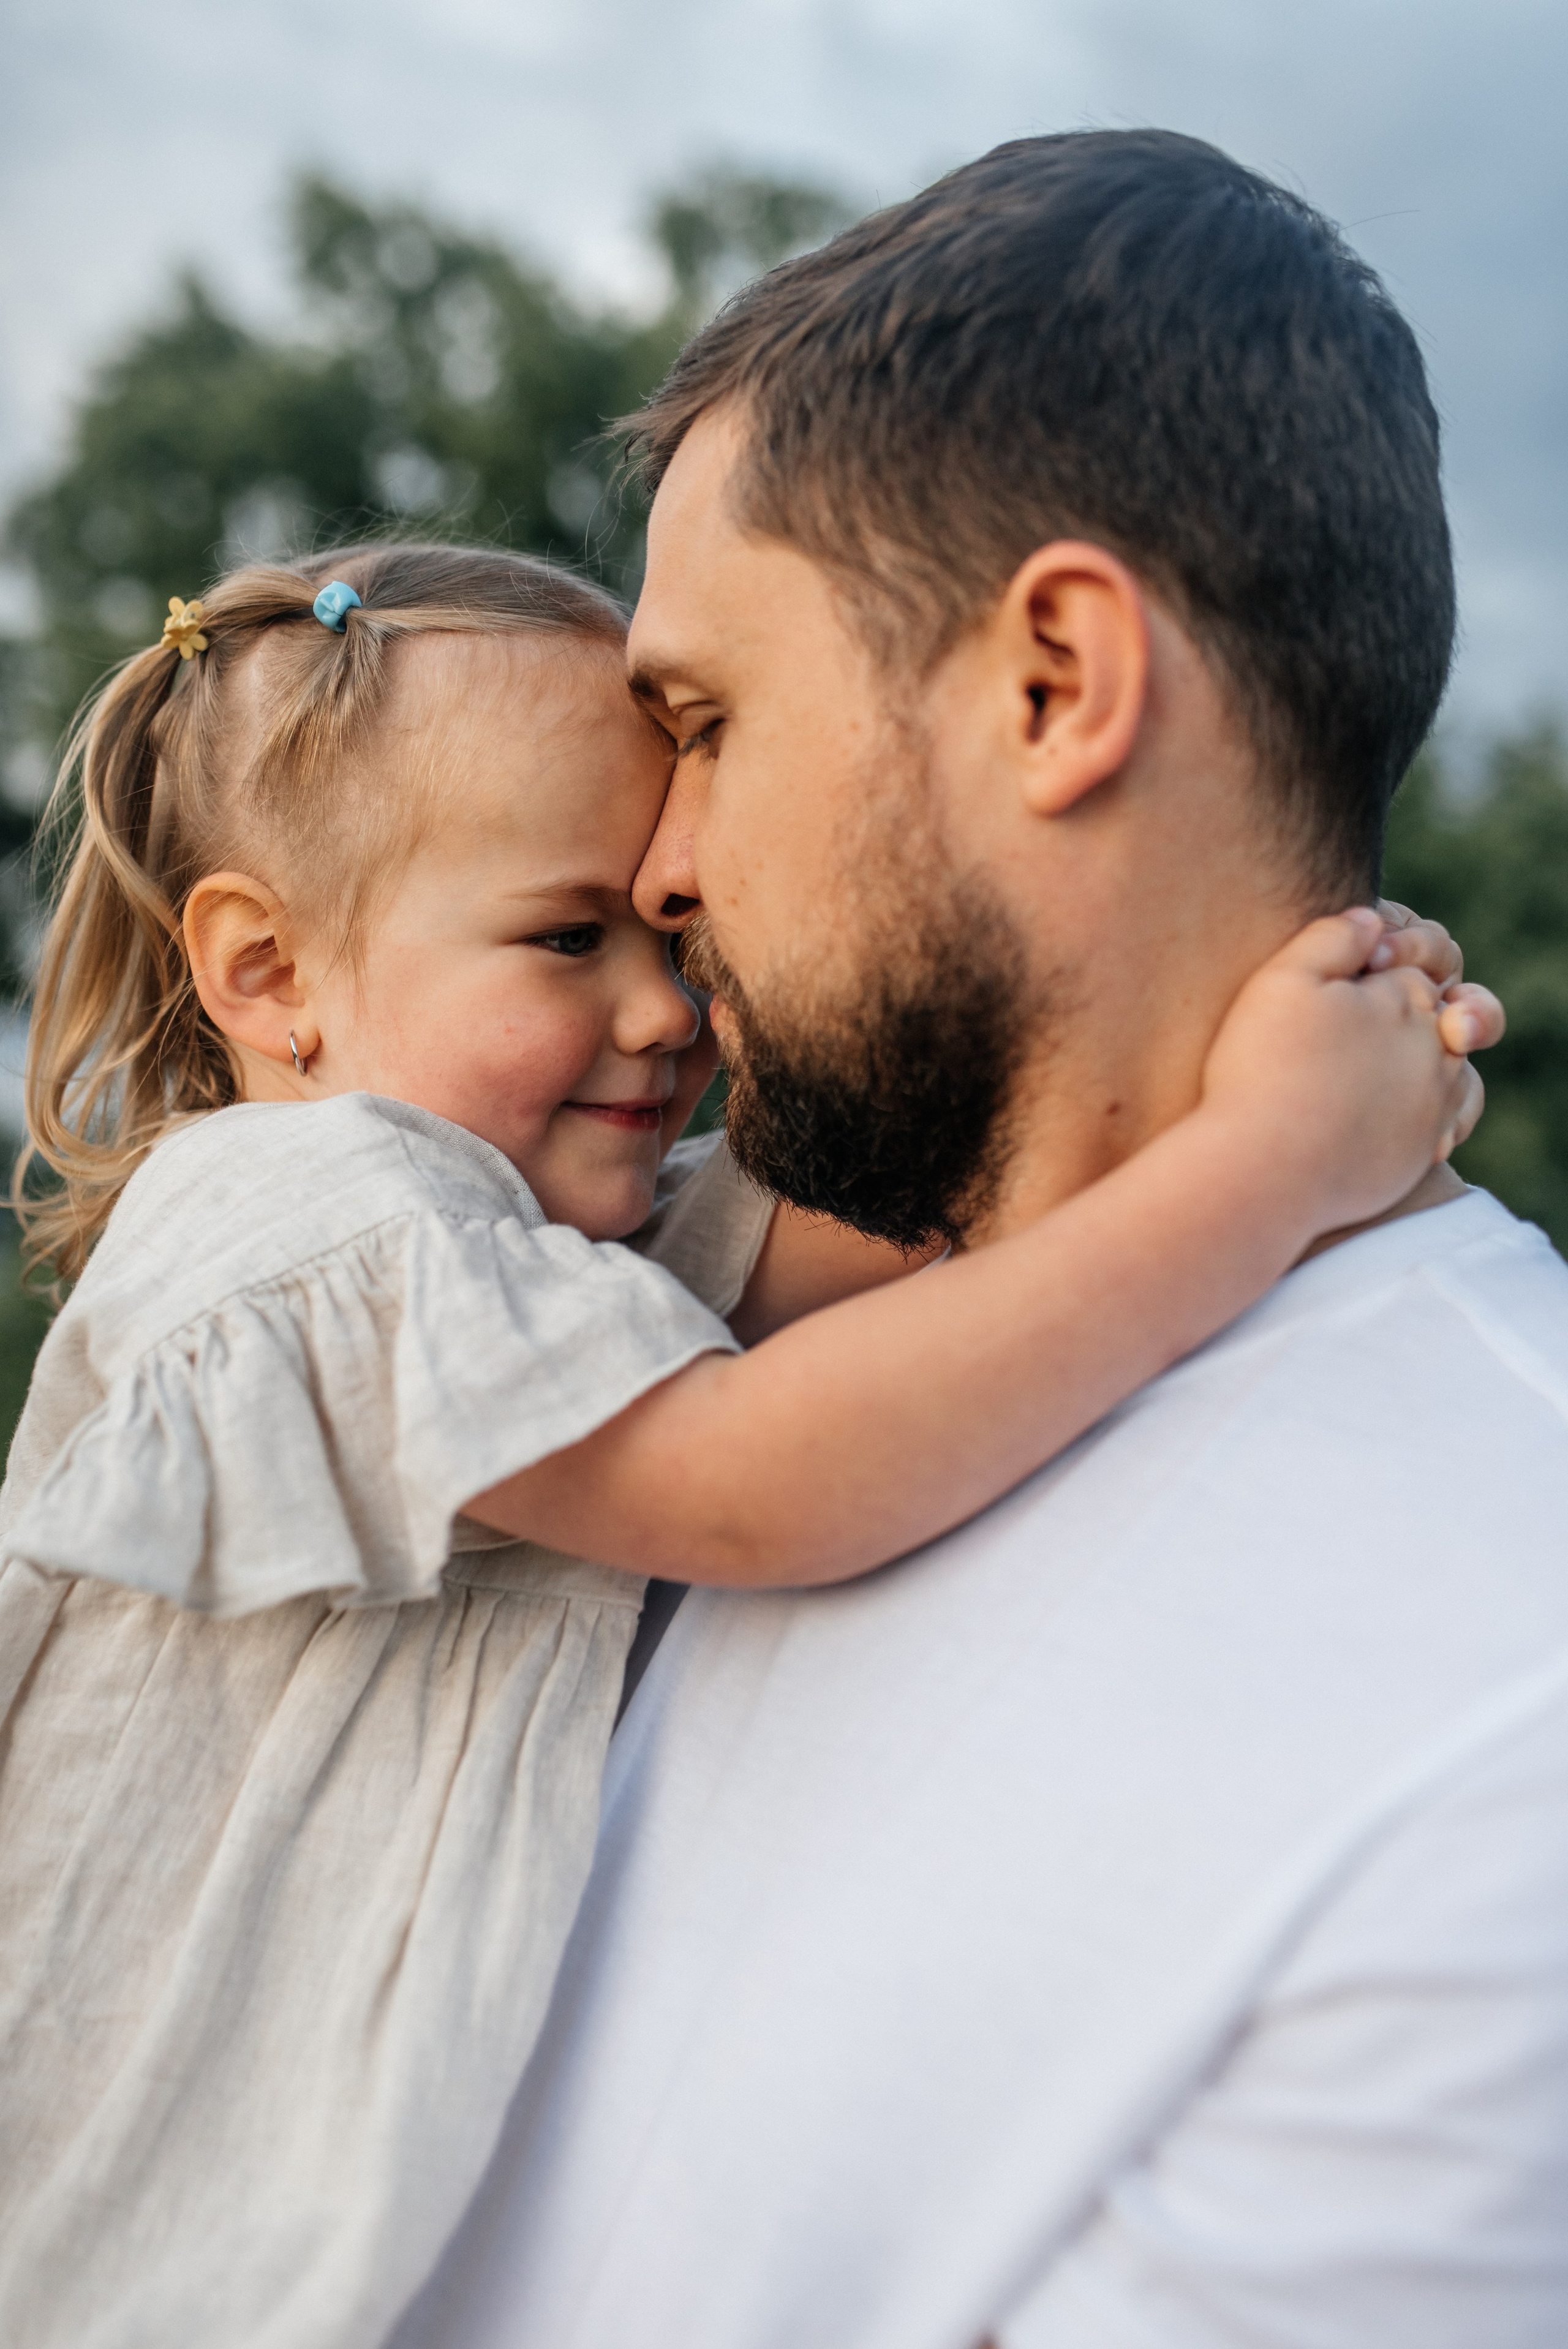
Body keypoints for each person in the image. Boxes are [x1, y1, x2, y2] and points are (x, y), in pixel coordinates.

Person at [0, 537, 1479, 2349]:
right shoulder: (306, 1224)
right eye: (568, 937)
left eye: (670, 928)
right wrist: (1268, 1168)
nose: (666, 1009)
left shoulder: (547, 1243)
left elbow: (967, 1218)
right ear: (267, 970)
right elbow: (761, 1469)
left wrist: (1292, 1024)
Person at [393, 132, 1568, 2349]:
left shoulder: (1510, 1713)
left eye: (711, 723)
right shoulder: (686, 1352)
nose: (657, 862)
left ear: (1056, 682)